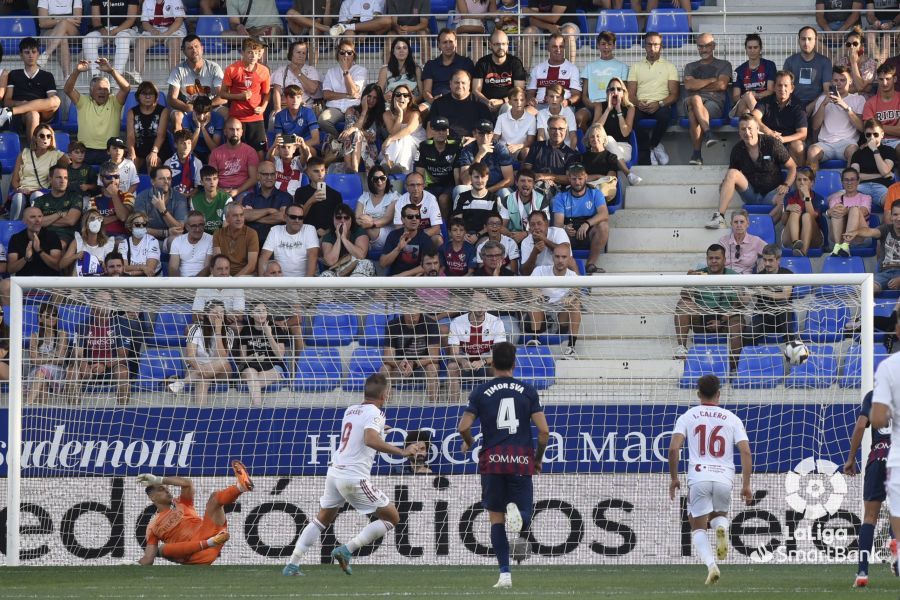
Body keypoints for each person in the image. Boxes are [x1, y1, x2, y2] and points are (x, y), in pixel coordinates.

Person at [284, 373, 425, 579]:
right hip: (353, 477)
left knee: (322, 519)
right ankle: (346, 549)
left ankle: (292, 564)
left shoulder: (351, 410)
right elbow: (370, 439)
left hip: (335, 472)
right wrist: (402, 452)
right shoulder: (376, 413)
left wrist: (380, 429)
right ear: (385, 395)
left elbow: (361, 432)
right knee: (392, 518)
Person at [456, 341, 549, 589]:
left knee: (496, 519)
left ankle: (504, 575)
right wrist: (537, 459)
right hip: (520, 459)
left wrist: (469, 442)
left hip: (493, 460)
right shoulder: (528, 391)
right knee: (525, 513)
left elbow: (463, 427)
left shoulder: (480, 391)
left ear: (492, 363)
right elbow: (544, 432)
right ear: (514, 364)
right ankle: (520, 515)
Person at [668, 374, 753, 586]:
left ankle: (711, 565)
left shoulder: (688, 416)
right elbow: (746, 452)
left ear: (698, 394)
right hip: (724, 477)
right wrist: (746, 485)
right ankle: (721, 528)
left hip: (699, 477)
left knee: (697, 526)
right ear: (719, 394)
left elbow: (673, 449)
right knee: (719, 516)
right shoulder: (732, 418)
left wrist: (674, 478)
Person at [137, 461, 253, 565]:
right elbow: (148, 558)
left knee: (214, 498)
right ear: (152, 497)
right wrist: (132, 564)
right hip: (195, 553)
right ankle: (209, 543)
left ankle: (241, 487)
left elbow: (187, 483)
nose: (167, 490)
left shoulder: (182, 503)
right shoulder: (153, 526)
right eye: (161, 489)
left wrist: (159, 480)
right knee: (162, 550)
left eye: (167, 488)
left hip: (211, 535)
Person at [707, 114, 796, 229]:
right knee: (732, 173)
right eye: (743, 129)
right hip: (751, 194)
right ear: (739, 132)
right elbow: (732, 174)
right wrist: (725, 183)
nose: (747, 132)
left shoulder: (772, 143)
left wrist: (786, 184)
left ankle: (764, 226)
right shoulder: (737, 150)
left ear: (757, 129)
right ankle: (720, 217)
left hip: (772, 194)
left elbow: (792, 167)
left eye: (750, 128)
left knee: (785, 198)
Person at [844, 389, 891, 588]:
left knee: (870, 517)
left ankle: (862, 572)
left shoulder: (874, 395)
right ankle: (896, 551)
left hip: (878, 457)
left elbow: (860, 426)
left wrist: (851, 458)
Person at [672, 244, 742, 361]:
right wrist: (688, 282)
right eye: (711, 258)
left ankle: (734, 364)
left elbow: (738, 305)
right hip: (702, 317)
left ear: (724, 260)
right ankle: (681, 349)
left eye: (717, 258)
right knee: (683, 304)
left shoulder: (733, 275)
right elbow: (685, 296)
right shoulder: (698, 274)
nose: (713, 261)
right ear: (707, 259)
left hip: (726, 318)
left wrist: (721, 321)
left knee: (737, 322)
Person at [63, 59, 131, 166]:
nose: (103, 92)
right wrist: (77, 71)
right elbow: (67, 90)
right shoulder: (83, 101)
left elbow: (126, 88)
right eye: (99, 89)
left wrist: (112, 71)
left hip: (109, 151)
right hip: (85, 151)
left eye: (105, 89)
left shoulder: (114, 101)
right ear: (91, 91)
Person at [68, 291, 130, 405]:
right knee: (72, 372)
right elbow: (77, 353)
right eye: (102, 301)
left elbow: (123, 355)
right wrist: (83, 363)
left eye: (109, 301)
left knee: (123, 371)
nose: (107, 304)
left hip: (112, 366)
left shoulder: (121, 324)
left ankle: (124, 411)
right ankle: (73, 411)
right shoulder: (83, 325)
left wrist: (104, 364)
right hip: (89, 366)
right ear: (93, 305)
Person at [627, 31, 679, 166]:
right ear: (644, 46)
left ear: (661, 47)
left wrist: (659, 103)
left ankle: (653, 145)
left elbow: (674, 94)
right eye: (649, 44)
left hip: (661, 105)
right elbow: (630, 95)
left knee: (665, 116)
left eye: (656, 44)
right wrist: (638, 103)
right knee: (631, 118)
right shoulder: (635, 67)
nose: (652, 48)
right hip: (640, 105)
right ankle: (649, 150)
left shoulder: (670, 67)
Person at [732, 244, 795, 355]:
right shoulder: (758, 277)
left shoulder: (787, 274)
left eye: (770, 260)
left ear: (778, 260)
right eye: (765, 260)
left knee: (783, 304)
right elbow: (745, 301)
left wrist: (763, 292)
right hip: (762, 317)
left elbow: (785, 295)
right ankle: (752, 359)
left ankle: (792, 350)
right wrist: (739, 290)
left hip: (781, 319)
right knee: (748, 333)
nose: (767, 264)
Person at [173, 298, 236, 404]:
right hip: (197, 367)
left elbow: (222, 356)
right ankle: (201, 412)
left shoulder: (228, 331)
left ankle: (182, 383)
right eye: (215, 312)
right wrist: (202, 370)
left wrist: (218, 331)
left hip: (221, 371)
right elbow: (190, 357)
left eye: (221, 312)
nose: (219, 315)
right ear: (206, 314)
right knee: (203, 379)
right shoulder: (195, 329)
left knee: (222, 361)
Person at [683, 33, 732, 167]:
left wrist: (697, 84)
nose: (704, 49)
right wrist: (711, 80)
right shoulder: (690, 66)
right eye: (700, 46)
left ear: (714, 46)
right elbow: (689, 85)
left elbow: (721, 85)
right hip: (690, 101)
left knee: (694, 109)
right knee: (695, 98)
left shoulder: (724, 65)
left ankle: (697, 154)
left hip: (714, 104)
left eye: (707, 46)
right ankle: (708, 133)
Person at [447, 290, 506, 399]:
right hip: (465, 363)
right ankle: (453, 405)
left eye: (483, 302)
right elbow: (453, 354)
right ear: (469, 303)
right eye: (477, 302)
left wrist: (483, 361)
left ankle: (496, 403)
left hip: (486, 362)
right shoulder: (457, 322)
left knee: (499, 366)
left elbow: (499, 353)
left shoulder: (497, 322)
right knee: (452, 367)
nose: (480, 306)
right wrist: (463, 361)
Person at [552, 163, 609, 274]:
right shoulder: (561, 197)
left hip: (589, 232)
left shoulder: (595, 193)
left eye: (580, 178)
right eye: (574, 179)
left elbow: (604, 214)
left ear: (586, 177)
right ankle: (565, 266)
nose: (577, 182)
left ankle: (590, 264)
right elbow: (558, 223)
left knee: (603, 225)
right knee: (558, 232)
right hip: (570, 234)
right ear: (569, 179)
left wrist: (587, 223)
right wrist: (565, 228)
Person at [0, 38, 61, 140]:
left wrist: (30, 105)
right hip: (22, 115)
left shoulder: (48, 76)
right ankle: (33, 149)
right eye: (27, 52)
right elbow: (7, 102)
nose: (31, 55)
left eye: (34, 52)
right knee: (33, 114)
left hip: (44, 113)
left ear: (38, 54)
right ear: (21, 55)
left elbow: (51, 103)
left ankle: (10, 111)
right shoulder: (14, 74)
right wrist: (22, 104)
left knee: (56, 100)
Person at [807, 66, 864, 171]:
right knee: (812, 151)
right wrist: (823, 105)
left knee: (854, 151)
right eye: (836, 80)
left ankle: (849, 180)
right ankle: (813, 181)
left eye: (843, 80)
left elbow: (861, 127)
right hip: (825, 144)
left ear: (850, 81)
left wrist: (845, 106)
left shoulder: (858, 99)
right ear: (831, 82)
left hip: (847, 143)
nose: (839, 83)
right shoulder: (822, 99)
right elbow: (815, 126)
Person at [528, 243, 581, 356]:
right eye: (557, 256)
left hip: (560, 319)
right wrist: (534, 291)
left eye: (564, 257)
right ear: (552, 257)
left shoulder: (573, 276)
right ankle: (535, 339)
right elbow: (528, 286)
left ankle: (571, 346)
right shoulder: (540, 270)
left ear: (569, 259)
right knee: (534, 300)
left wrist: (572, 297)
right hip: (542, 316)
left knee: (576, 303)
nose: (560, 260)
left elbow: (577, 291)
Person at [221, 38, 270, 158]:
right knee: (236, 151)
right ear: (242, 52)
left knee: (259, 152)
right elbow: (222, 94)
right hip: (237, 117)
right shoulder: (231, 69)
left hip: (256, 117)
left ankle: (258, 171)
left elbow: (267, 93)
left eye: (256, 53)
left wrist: (263, 108)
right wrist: (239, 96)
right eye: (250, 52)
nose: (253, 56)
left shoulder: (264, 71)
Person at [8, 124, 68, 221]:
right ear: (35, 138)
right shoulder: (24, 153)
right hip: (23, 190)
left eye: (48, 136)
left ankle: (38, 226)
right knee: (18, 198)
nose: (45, 139)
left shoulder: (56, 155)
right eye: (42, 136)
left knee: (37, 196)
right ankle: (14, 226)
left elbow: (72, 166)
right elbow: (14, 180)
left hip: (41, 191)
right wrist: (19, 189)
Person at [749, 71, 809, 168]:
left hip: (788, 143)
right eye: (779, 85)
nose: (782, 89)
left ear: (792, 88)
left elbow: (803, 134)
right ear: (774, 87)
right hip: (768, 141)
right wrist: (768, 132)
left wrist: (783, 139)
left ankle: (800, 173)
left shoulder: (798, 106)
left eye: (786, 86)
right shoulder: (765, 101)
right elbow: (753, 117)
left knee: (799, 146)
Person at [166, 35, 226, 126]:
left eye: (196, 46)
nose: (194, 50)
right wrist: (186, 107)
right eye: (190, 48)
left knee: (226, 113)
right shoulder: (178, 70)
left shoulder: (214, 68)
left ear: (202, 48)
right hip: (188, 107)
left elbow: (223, 97)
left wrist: (205, 107)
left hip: (210, 106)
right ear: (184, 52)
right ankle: (181, 136)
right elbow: (171, 99)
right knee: (177, 116)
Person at [327, 82, 385, 174]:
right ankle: (352, 169)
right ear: (364, 96)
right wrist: (359, 128)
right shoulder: (351, 110)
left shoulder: (377, 115)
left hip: (369, 150)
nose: (371, 100)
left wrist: (357, 128)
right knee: (354, 133)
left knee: (356, 133)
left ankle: (352, 169)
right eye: (369, 96)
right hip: (349, 147)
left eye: (375, 98)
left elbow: (371, 136)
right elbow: (349, 130)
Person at [579, 31, 630, 131]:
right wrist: (594, 106)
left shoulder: (623, 67)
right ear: (598, 45)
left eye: (609, 44)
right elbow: (584, 96)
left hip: (613, 104)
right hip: (593, 105)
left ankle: (592, 136)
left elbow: (624, 92)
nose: (606, 47)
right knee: (579, 117)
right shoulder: (589, 67)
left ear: (614, 46)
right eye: (603, 44)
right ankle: (588, 138)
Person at [843, 203, 900, 293]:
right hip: (884, 274)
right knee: (865, 289)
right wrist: (856, 232)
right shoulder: (886, 229)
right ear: (891, 217)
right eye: (895, 214)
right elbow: (870, 231)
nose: (898, 218)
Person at [238, 302, 287, 406]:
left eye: (264, 311)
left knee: (254, 381)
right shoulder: (246, 330)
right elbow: (242, 359)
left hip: (273, 367)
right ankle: (258, 408)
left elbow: (280, 356)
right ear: (251, 314)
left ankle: (256, 408)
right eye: (258, 311)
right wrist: (254, 357)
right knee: (251, 374)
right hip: (250, 367)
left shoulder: (276, 329)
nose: (261, 314)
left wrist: (268, 334)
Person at [428, 69, 493, 143]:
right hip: (446, 144)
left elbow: (490, 132)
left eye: (463, 83)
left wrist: (475, 140)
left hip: (472, 144)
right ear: (450, 84)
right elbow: (430, 130)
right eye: (456, 82)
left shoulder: (481, 104)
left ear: (469, 84)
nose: (460, 86)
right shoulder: (438, 103)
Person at [456, 119, 515, 200]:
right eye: (481, 133)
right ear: (474, 134)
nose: (485, 138)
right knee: (459, 189)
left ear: (492, 134)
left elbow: (509, 180)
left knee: (505, 193)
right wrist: (479, 156)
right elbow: (465, 181)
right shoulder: (467, 149)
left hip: (496, 189)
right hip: (474, 189)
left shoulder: (500, 149)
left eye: (488, 134)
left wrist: (486, 192)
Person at [320, 40, 367, 138]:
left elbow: (353, 92)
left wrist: (346, 71)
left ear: (354, 55)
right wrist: (346, 95)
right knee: (322, 120)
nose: (346, 55)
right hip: (335, 107)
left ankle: (343, 142)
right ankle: (338, 141)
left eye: (349, 53)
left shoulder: (361, 70)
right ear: (338, 54)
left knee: (354, 126)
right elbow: (326, 95)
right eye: (342, 52)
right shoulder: (331, 72)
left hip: (353, 107)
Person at [416, 116, 461, 217]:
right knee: (427, 198)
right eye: (437, 129)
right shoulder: (424, 146)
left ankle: (444, 224)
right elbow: (419, 172)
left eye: (443, 129)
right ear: (432, 131)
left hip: (449, 185)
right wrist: (420, 189)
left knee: (443, 199)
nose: (440, 132)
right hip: (430, 185)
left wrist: (458, 193)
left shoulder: (456, 146)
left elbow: (457, 172)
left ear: (448, 131)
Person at [473, 30, 527, 115]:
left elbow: (519, 90)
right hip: (486, 103)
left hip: (507, 103)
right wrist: (487, 102)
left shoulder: (515, 63)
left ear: (508, 44)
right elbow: (475, 90)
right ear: (490, 45)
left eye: (504, 44)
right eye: (497, 44)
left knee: (508, 108)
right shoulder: (482, 63)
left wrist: (502, 101)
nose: (501, 47)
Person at [83, 0, 140, 82]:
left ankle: (116, 78)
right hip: (104, 29)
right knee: (88, 40)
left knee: (122, 39)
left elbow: (130, 19)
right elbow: (95, 19)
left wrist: (113, 32)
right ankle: (96, 77)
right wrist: (104, 32)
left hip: (126, 30)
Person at [258, 204, 320, 277]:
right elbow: (264, 257)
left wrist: (307, 282)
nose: (297, 220)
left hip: (304, 279)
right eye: (293, 217)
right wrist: (261, 281)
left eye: (300, 218)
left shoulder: (309, 229)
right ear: (285, 217)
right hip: (281, 279)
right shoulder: (275, 230)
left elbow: (313, 256)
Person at [134, 165, 188, 248]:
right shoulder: (142, 197)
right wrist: (165, 232)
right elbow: (139, 228)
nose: (166, 181)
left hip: (169, 240)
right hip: (147, 239)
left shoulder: (179, 198)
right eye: (162, 178)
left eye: (169, 178)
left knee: (176, 241)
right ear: (153, 182)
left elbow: (179, 229)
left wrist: (163, 210)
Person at [26, 302, 69, 405]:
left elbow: (60, 359)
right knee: (42, 378)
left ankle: (27, 404)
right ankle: (42, 410)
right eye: (47, 316)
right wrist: (52, 357)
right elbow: (34, 360)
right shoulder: (34, 336)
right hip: (37, 372)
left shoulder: (62, 334)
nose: (51, 318)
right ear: (40, 318)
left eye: (54, 315)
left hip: (57, 372)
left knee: (41, 372)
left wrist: (42, 358)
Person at [521, 115, 581, 190]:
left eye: (561, 129)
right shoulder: (536, 146)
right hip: (534, 187)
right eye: (553, 128)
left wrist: (547, 177)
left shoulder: (571, 154)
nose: (557, 132)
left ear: (566, 131)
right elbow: (526, 171)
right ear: (548, 130)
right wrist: (541, 179)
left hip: (558, 191)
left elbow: (569, 179)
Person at [779, 166, 827, 257]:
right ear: (795, 182)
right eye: (799, 180)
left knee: (807, 216)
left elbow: (813, 216)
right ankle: (796, 243)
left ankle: (802, 252)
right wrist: (787, 210)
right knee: (794, 212)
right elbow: (783, 222)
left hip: (814, 237)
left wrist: (807, 196)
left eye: (805, 179)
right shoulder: (789, 196)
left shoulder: (818, 198)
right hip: (789, 237)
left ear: (811, 183)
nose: (802, 182)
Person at [783, 26, 832, 114]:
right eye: (803, 39)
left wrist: (810, 107)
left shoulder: (825, 62)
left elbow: (826, 90)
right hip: (794, 105)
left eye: (809, 39)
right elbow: (785, 88)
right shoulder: (790, 61)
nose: (806, 42)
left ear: (815, 41)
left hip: (818, 105)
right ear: (798, 41)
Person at [526, 33, 581, 111]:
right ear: (548, 48)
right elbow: (530, 92)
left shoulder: (572, 68)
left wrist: (568, 102)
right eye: (554, 46)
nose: (558, 50)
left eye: (561, 46)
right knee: (528, 111)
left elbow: (576, 94)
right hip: (540, 106)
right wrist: (531, 99)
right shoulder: (537, 68)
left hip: (563, 107)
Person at [240, 160, 291, 244]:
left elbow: (282, 217)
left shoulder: (285, 196)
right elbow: (245, 215)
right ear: (258, 176)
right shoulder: (249, 197)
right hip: (253, 242)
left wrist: (254, 218)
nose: (269, 177)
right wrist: (269, 210)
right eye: (265, 174)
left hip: (277, 243)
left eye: (272, 174)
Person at [126, 82, 172, 173]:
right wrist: (132, 152)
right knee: (130, 165)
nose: (147, 97)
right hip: (139, 150)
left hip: (158, 149)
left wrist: (154, 152)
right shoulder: (132, 112)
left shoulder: (163, 111)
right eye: (144, 94)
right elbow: (130, 136)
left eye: (151, 94)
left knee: (152, 162)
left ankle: (152, 183)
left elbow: (161, 135)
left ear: (156, 96)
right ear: (138, 96)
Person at [422, 29, 476, 107]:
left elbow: (470, 89)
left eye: (451, 42)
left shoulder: (466, 63)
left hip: (461, 102)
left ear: (456, 43)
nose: (448, 46)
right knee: (418, 111)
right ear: (439, 45)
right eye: (444, 42)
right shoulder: (430, 64)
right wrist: (433, 101)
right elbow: (426, 91)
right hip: (435, 102)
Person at [208, 118, 260, 199]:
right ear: (225, 132)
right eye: (231, 129)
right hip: (221, 191)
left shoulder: (250, 152)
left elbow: (253, 178)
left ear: (242, 132)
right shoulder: (215, 153)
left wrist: (237, 191)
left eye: (238, 129)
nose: (235, 133)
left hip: (243, 191)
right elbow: (211, 178)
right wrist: (220, 191)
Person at [31, 164, 81, 246]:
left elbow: (70, 221)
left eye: (65, 178)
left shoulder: (75, 198)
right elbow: (35, 222)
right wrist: (58, 214)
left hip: (65, 235)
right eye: (59, 177)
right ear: (50, 179)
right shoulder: (40, 200)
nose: (63, 181)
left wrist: (45, 221)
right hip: (43, 235)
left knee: (58, 246)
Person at [850, 118, 894, 211]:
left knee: (893, 202)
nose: (872, 137)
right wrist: (881, 175)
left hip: (882, 188)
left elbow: (885, 170)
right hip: (861, 187)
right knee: (836, 197)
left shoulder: (889, 150)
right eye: (868, 134)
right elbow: (854, 177)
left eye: (875, 134)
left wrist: (874, 150)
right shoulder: (858, 153)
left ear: (882, 135)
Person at [319, 204, 375, 277]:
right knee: (326, 275)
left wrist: (344, 239)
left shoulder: (359, 231)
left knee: (365, 263)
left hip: (357, 269)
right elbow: (330, 261)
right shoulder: (328, 236)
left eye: (346, 218)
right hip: (338, 271)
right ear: (333, 220)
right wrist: (339, 238)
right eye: (338, 217)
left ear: (351, 220)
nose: (342, 221)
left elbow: (361, 256)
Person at [381, 203, 435, 276]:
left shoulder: (425, 239)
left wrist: (403, 275)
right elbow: (383, 264)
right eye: (410, 217)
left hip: (415, 279)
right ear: (402, 219)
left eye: (417, 216)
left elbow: (428, 265)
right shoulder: (393, 235)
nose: (414, 219)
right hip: (395, 279)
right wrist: (398, 249)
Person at [593, 78, 637, 168]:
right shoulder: (599, 105)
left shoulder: (630, 108)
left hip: (623, 148)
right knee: (608, 141)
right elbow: (594, 130)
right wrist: (608, 110)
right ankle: (627, 172)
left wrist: (619, 111)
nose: (615, 92)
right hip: (602, 147)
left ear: (623, 92)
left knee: (608, 141)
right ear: (607, 92)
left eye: (619, 89)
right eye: (612, 89)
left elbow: (625, 133)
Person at [381, 84, 425, 173]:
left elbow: (408, 130)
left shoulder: (415, 113)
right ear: (393, 98)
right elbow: (394, 133)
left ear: (409, 99)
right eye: (398, 95)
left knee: (405, 137)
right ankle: (391, 166)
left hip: (416, 142)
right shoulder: (387, 114)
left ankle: (400, 166)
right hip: (397, 143)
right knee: (399, 139)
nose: (402, 97)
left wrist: (389, 139)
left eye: (405, 95)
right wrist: (400, 114)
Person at [730, 34, 776, 120]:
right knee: (746, 102)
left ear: (760, 49)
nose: (752, 50)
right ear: (746, 49)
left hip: (764, 105)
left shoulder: (769, 65)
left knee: (747, 110)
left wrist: (755, 95)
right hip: (742, 105)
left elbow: (770, 91)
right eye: (749, 48)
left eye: (755, 47)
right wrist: (747, 97)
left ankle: (756, 124)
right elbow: (736, 97)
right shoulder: (738, 70)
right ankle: (760, 125)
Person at [134, 0, 186, 75]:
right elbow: (145, 23)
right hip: (155, 29)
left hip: (173, 30)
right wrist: (153, 31)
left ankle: (174, 78)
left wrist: (165, 34)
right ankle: (137, 75)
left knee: (175, 42)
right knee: (141, 41)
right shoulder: (147, 2)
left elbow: (179, 20)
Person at [392, 171, 444, 247]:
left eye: (419, 185)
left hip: (426, 236)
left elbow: (436, 228)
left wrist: (418, 238)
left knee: (438, 239)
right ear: (406, 187)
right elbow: (398, 227)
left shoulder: (431, 199)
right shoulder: (400, 201)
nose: (416, 188)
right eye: (412, 185)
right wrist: (411, 237)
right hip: (408, 237)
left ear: (424, 185)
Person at [521, 0, 580, 66]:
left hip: (565, 25)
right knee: (528, 32)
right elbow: (532, 20)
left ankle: (570, 70)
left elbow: (553, 18)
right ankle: (524, 71)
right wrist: (549, 27)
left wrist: (530, 12)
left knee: (568, 32)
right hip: (542, 26)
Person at [270, 40, 321, 116]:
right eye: (298, 52)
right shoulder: (281, 70)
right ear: (291, 54)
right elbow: (277, 91)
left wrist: (298, 73)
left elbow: (312, 89)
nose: (301, 55)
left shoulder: (311, 70)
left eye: (304, 53)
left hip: (305, 108)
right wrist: (277, 108)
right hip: (286, 108)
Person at [293, 158, 342, 237]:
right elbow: (298, 217)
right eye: (316, 171)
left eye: (322, 170)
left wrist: (327, 232)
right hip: (306, 233)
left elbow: (340, 220)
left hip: (329, 235)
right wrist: (311, 200)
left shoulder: (335, 194)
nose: (320, 174)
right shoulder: (300, 192)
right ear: (308, 173)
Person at [59, 209, 116, 275]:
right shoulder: (78, 241)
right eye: (92, 219)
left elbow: (111, 269)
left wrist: (104, 265)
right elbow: (61, 265)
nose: (96, 221)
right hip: (80, 280)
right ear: (86, 224)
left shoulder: (107, 243)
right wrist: (76, 256)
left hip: (99, 280)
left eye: (99, 219)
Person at [499, 169, 549, 244]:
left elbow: (546, 227)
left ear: (533, 184)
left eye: (529, 181)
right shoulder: (508, 200)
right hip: (513, 238)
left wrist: (525, 234)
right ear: (516, 183)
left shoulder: (542, 200)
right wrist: (514, 236)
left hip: (535, 238)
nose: (526, 184)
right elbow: (502, 227)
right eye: (522, 181)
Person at [7, 207, 61, 277]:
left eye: (40, 216)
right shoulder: (16, 238)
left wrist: (39, 251)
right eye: (32, 217)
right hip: (25, 281)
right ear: (24, 221)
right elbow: (11, 269)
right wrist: (26, 258)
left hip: (48, 280)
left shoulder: (52, 236)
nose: (37, 220)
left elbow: (57, 266)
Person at [581, 123, 639, 188]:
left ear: (603, 139)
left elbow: (610, 178)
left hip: (604, 189)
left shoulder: (611, 157)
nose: (595, 139)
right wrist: (598, 177)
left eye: (598, 136)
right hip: (587, 189)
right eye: (592, 137)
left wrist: (594, 179)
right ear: (588, 140)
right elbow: (581, 178)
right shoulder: (582, 157)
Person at [88, 160, 136, 237]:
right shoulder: (93, 200)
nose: (113, 180)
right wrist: (117, 216)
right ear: (101, 178)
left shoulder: (128, 196)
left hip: (121, 237)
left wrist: (114, 195)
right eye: (108, 177)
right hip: (100, 237)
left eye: (116, 177)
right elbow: (94, 223)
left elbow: (123, 217)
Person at [355, 165, 398, 251]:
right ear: (371, 181)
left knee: (365, 223)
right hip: (364, 229)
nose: (379, 181)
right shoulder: (364, 196)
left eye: (382, 178)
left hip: (383, 231)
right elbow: (357, 217)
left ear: (386, 179)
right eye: (376, 179)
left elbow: (387, 218)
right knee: (361, 219)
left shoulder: (393, 197)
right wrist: (365, 221)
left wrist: (371, 223)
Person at [520, 209, 573, 275]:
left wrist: (545, 240)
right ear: (529, 227)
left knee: (571, 261)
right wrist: (534, 252)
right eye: (532, 224)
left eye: (539, 223)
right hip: (538, 276)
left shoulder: (558, 232)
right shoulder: (526, 242)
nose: (536, 227)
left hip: (558, 272)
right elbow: (525, 272)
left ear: (547, 224)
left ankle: (577, 281)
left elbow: (566, 251)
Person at [212, 202, 260, 276]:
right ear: (227, 218)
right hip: (224, 273)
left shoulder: (252, 233)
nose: (239, 219)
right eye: (235, 215)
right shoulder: (218, 233)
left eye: (241, 215)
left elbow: (251, 265)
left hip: (245, 275)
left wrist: (234, 280)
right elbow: (218, 262)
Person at [36, 0, 82, 77]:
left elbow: (77, 21)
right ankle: (67, 77)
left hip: (71, 31)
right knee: (63, 37)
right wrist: (63, 20)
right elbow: (43, 23)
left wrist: (56, 20)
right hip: (49, 31)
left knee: (64, 24)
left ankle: (46, 54)